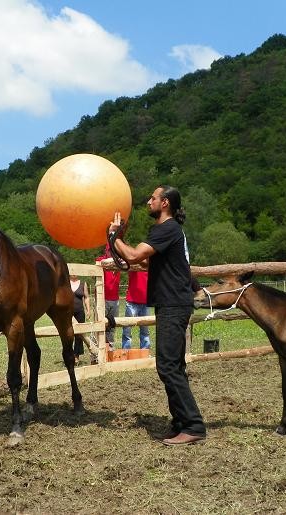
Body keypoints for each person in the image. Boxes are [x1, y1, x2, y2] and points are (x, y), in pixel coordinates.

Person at [109, 185, 206, 446]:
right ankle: (181, 422)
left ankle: (194, 425)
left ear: (165, 203)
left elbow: (133, 254)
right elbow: (141, 261)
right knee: (174, 365)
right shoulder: (168, 231)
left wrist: (114, 236)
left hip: (174, 303)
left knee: (167, 366)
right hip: (171, 303)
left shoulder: (168, 228)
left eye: (153, 198)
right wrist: (120, 243)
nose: (148, 201)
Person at [95, 244, 121, 350]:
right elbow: (98, 261)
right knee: (100, 324)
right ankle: (98, 348)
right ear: (107, 251)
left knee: (112, 324)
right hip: (103, 299)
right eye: (110, 250)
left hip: (115, 299)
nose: (112, 252)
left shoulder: (119, 262)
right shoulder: (102, 260)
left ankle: (110, 346)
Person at [121, 270, 151, 350]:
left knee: (145, 330)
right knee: (127, 329)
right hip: (132, 300)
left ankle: (145, 353)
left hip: (146, 301)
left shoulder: (149, 262)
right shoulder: (134, 260)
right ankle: (126, 352)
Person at [69, 274, 91, 364]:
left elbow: (86, 297)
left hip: (80, 312)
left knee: (79, 335)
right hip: (67, 313)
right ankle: (69, 354)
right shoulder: (66, 282)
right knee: (68, 334)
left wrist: (88, 310)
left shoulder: (83, 283)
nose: (74, 274)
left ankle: (76, 356)